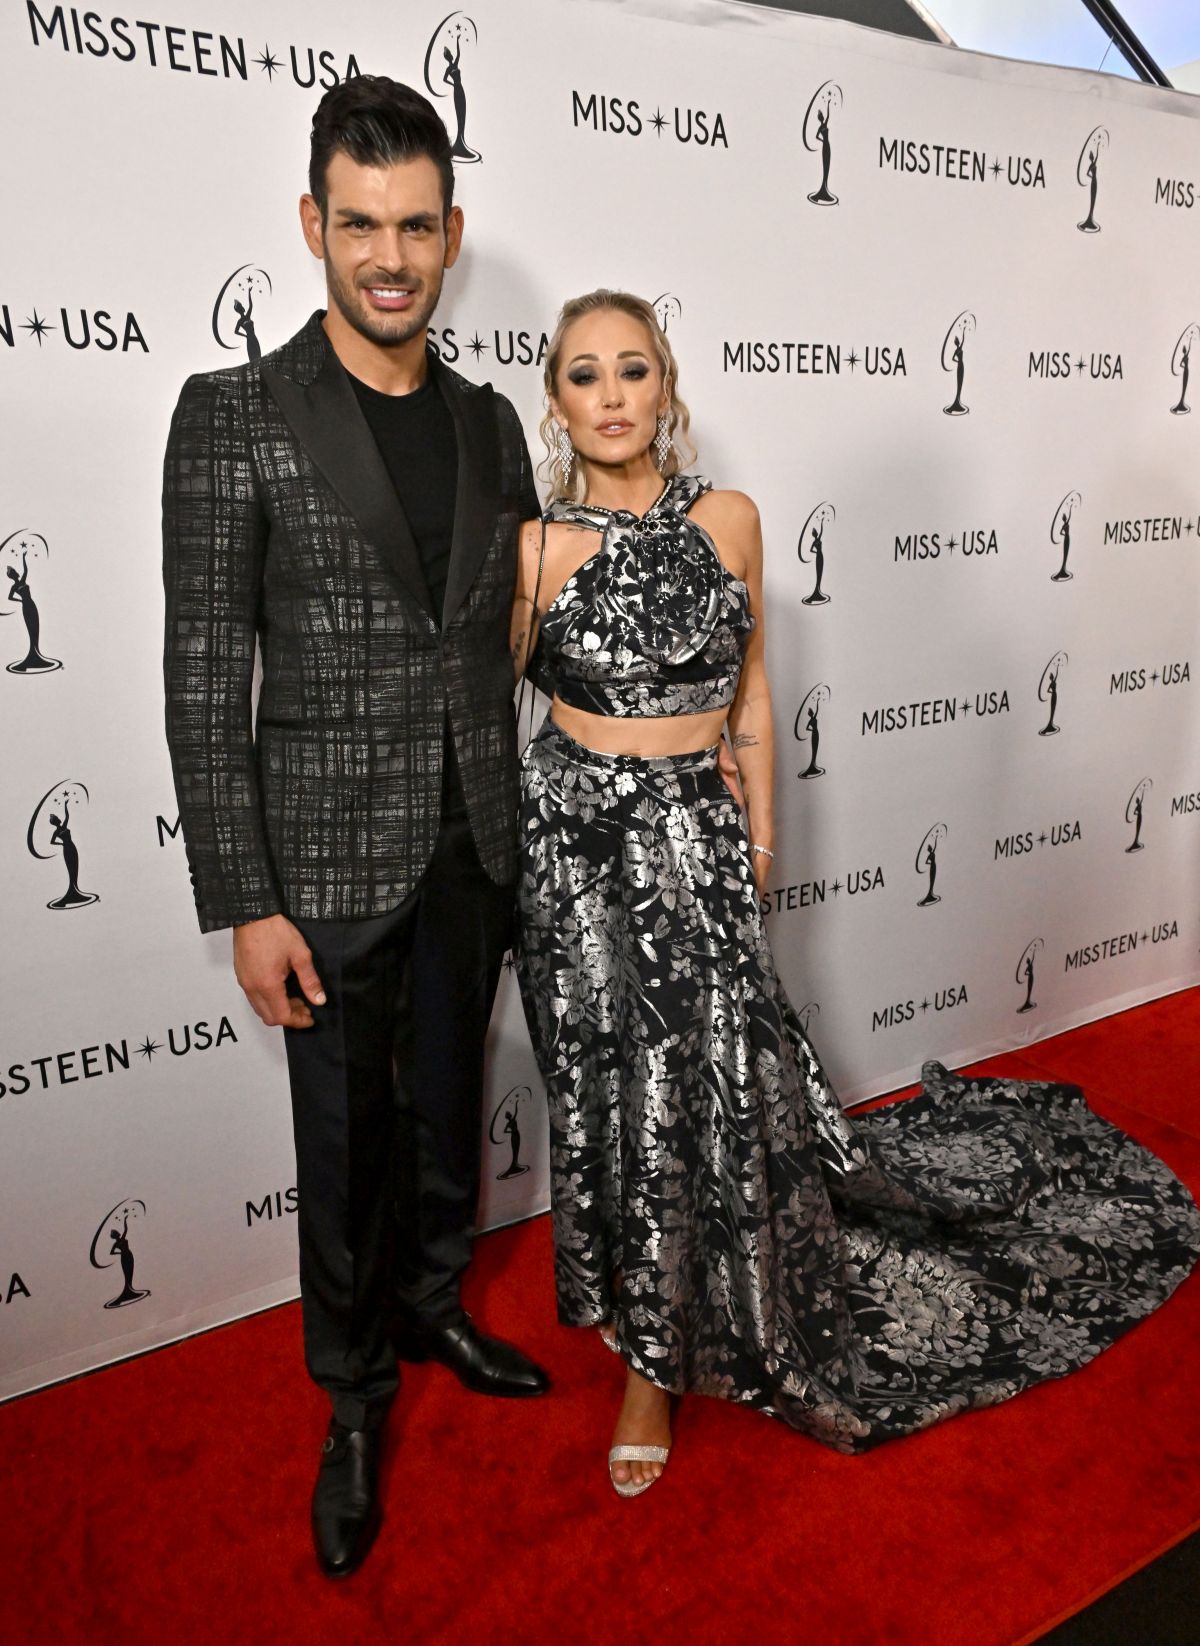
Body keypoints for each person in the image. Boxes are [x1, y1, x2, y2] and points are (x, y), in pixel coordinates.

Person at [511, 289, 1200, 1498]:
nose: (612, 394)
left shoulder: (731, 519)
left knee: (694, 1084)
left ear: (667, 384)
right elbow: (491, 714)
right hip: (576, 861)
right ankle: (636, 1296)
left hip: (701, 845)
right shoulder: (536, 546)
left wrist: (762, 839)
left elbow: (758, 692)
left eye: (633, 368)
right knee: (606, 1085)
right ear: (556, 401)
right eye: (584, 375)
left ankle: (655, 1368)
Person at [162, 76, 548, 1578]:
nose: (390, 256)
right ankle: (351, 1392)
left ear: (452, 235)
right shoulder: (236, 413)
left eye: (417, 227)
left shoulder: (491, 419)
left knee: (449, 1093)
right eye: (361, 225)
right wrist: (243, 896)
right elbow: (207, 669)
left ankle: (437, 1297)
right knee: (341, 1137)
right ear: (313, 226)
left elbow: (509, 625)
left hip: (474, 834)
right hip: (317, 857)